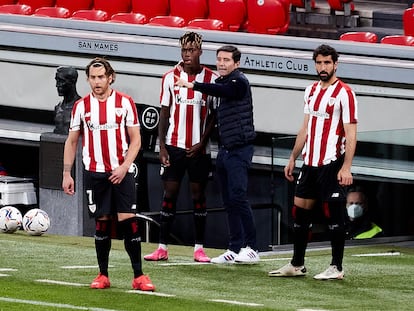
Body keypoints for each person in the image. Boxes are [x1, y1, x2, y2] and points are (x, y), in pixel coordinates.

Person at [62, 57, 155, 291]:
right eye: (92, 77)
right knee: (102, 224)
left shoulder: (125, 103)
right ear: (88, 79)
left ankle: (139, 276)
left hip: (121, 173)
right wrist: (67, 173)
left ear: (110, 77)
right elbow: (72, 141)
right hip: (95, 174)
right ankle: (103, 274)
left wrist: (124, 167)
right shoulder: (81, 106)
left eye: (101, 77)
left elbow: (136, 140)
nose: (96, 82)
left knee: (128, 222)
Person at [268, 44, 358, 280]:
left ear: (335, 64)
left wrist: (347, 166)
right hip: (309, 163)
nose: (322, 67)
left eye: (327, 63)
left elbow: (351, 133)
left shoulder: (345, 93)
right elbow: (305, 128)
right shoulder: (310, 91)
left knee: (333, 212)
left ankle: (336, 267)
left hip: (332, 163)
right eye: (319, 62)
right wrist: (292, 157)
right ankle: (297, 264)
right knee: (300, 210)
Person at [175, 45, 260, 264]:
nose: (221, 63)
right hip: (225, 150)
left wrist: (192, 84)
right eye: (219, 59)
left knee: (239, 197)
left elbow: (224, 92)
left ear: (237, 64)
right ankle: (234, 247)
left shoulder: (239, 82)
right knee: (229, 200)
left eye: (226, 60)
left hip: (240, 149)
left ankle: (252, 247)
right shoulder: (221, 82)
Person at [144, 32, 217, 263]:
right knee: (169, 195)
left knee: (198, 196)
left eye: (191, 50)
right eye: (184, 50)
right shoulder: (169, 77)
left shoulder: (211, 79)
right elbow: (164, 113)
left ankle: (199, 248)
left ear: (200, 51)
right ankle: (162, 247)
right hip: (174, 146)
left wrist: (202, 143)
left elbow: (214, 116)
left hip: (199, 149)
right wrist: (162, 146)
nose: (187, 54)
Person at [53, 66, 81, 135]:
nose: (57, 85)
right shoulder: (58, 108)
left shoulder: (82, 107)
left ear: (72, 82)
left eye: (61, 81)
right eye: (57, 81)